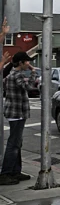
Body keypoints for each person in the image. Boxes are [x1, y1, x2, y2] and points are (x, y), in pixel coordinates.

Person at [0, 51, 39, 185]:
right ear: (21, 62)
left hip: (16, 113)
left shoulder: (13, 75)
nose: (29, 63)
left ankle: (15, 171)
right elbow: (28, 87)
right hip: (16, 114)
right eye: (27, 61)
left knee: (17, 143)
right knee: (13, 144)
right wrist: (34, 72)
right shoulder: (16, 75)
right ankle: (5, 173)